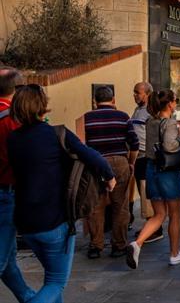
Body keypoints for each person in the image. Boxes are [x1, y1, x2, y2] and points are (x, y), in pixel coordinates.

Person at [8, 84, 116, 302]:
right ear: (42, 105)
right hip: (54, 220)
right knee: (56, 281)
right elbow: (92, 156)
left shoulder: (12, 139)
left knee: (51, 280)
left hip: (25, 223)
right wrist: (110, 177)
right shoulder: (57, 133)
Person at [127, 89, 180, 270]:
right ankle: (175, 254)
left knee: (159, 214)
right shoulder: (169, 123)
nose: (176, 103)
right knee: (175, 213)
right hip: (167, 172)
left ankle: (137, 243)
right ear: (170, 104)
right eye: (175, 101)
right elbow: (170, 146)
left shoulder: (150, 121)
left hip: (151, 168)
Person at [84, 85, 139, 259]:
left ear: (95, 101)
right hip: (119, 161)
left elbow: (81, 144)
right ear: (113, 100)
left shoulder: (86, 118)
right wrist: (130, 162)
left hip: (95, 163)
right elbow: (134, 143)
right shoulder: (123, 117)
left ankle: (96, 246)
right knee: (120, 205)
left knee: (95, 205)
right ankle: (119, 245)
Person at [0, 68, 35, 303]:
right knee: (2, 258)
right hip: (7, 191)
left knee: (9, 258)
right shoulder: (11, 119)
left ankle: (30, 298)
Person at [129, 81, 164, 243]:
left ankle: (155, 230)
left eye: (138, 92)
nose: (135, 95)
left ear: (147, 94)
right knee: (143, 192)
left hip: (145, 156)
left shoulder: (151, 112)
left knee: (146, 193)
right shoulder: (138, 110)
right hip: (137, 156)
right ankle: (149, 226)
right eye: (135, 92)